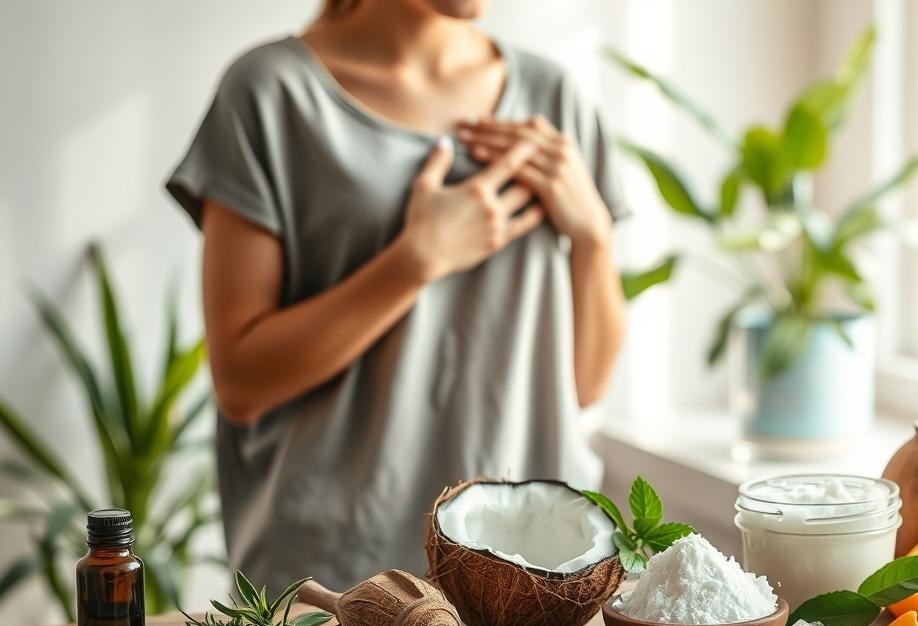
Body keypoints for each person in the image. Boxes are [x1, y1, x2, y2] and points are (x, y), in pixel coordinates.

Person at [165, 0, 628, 591]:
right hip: (336, 590)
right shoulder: (269, 93)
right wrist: (415, 261)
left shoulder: (553, 96)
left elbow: (584, 386)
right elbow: (241, 382)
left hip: (535, 585)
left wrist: (593, 237)